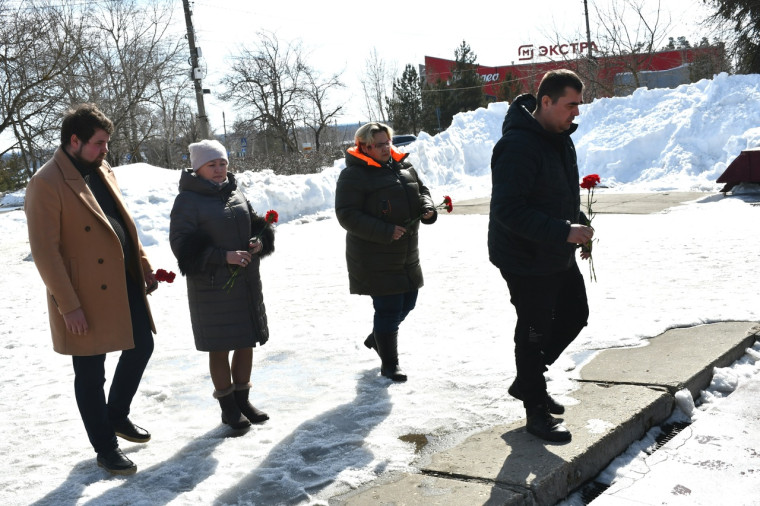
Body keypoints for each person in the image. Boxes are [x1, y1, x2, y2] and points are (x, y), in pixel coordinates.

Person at [24, 103, 157, 475]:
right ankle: (106, 447)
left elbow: (122, 223)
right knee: (89, 372)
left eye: (107, 143)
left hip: (121, 279)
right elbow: (44, 252)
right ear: (74, 141)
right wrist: (69, 306)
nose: (105, 150)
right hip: (81, 292)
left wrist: (143, 265)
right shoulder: (45, 182)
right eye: (99, 143)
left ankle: (115, 414)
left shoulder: (102, 168)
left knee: (142, 344)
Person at [488, 69, 594, 443]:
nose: (575, 114)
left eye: (578, 106)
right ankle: (535, 410)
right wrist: (564, 231)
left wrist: (577, 222)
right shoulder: (517, 145)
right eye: (570, 105)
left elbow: (555, 194)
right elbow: (508, 210)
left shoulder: (561, 138)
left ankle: (528, 379)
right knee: (533, 331)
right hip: (523, 256)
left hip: (553, 249)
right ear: (545, 102)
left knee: (574, 315)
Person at [169, 139, 274, 430]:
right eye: (211, 164)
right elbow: (181, 246)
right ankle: (228, 407)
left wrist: (258, 241)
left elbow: (254, 223)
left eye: (222, 163)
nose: (218, 170)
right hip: (212, 285)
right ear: (197, 168)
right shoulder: (187, 201)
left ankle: (243, 400)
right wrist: (223, 256)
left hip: (245, 281)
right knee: (220, 346)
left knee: (245, 341)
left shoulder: (234, 191)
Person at [335, 122, 437, 382]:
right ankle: (390, 364)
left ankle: (377, 337)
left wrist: (427, 208)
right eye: (378, 145)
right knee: (389, 309)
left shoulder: (402, 165)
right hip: (374, 255)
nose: (385, 148)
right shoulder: (354, 175)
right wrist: (384, 230)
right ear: (365, 147)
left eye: (387, 143)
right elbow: (346, 215)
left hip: (406, 250)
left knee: (409, 301)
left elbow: (421, 190)